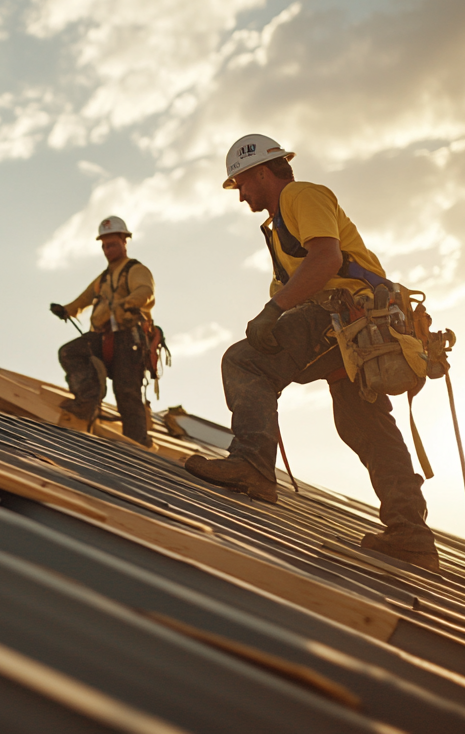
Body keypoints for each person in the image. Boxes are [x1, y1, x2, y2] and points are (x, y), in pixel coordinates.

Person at [183, 134, 440, 572]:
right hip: (355, 329)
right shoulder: (280, 225)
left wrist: (273, 312)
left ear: (262, 172)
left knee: (244, 362)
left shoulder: (302, 195)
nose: (240, 195)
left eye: (241, 183)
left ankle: (252, 464)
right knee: (364, 425)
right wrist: (278, 310)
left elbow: (326, 260)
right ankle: (410, 534)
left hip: (344, 315)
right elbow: (302, 279)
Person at [49, 216, 156, 446]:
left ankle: (137, 446)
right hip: (104, 337)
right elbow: (85, 299)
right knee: (70, 352)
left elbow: (146, 290)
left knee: (127, 393)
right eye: (105, 246)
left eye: (113, 244)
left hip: (128, 339)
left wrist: (130, 302)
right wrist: (67, 310)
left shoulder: (135, 270)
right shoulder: (104, 278)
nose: (108, 250)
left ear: (124, 242)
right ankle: (88, 400)